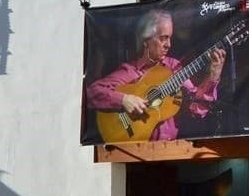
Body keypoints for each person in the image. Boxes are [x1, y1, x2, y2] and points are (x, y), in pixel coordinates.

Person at [85, 9, 225, 142]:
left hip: (171, 152)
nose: (168, 45)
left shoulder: (174, 68)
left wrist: (213, 77)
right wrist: (124, 99)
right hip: (138, 153)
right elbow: (92, 93)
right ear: (146, 40)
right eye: (163, 38)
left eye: (170, 38)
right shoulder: (130, 71)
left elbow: (197, 110)